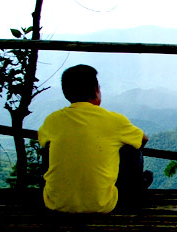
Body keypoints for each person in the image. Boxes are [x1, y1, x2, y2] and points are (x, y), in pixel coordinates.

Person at [38, 64, 152, 213]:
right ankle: (132, 192)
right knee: (133, 152)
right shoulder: (114, 120)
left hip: (56, 204)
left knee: (48, 149)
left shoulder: (52, 120)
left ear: (65, 93)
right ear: (96, 90)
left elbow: (42, 142)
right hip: (101, 205)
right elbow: (143, 140)